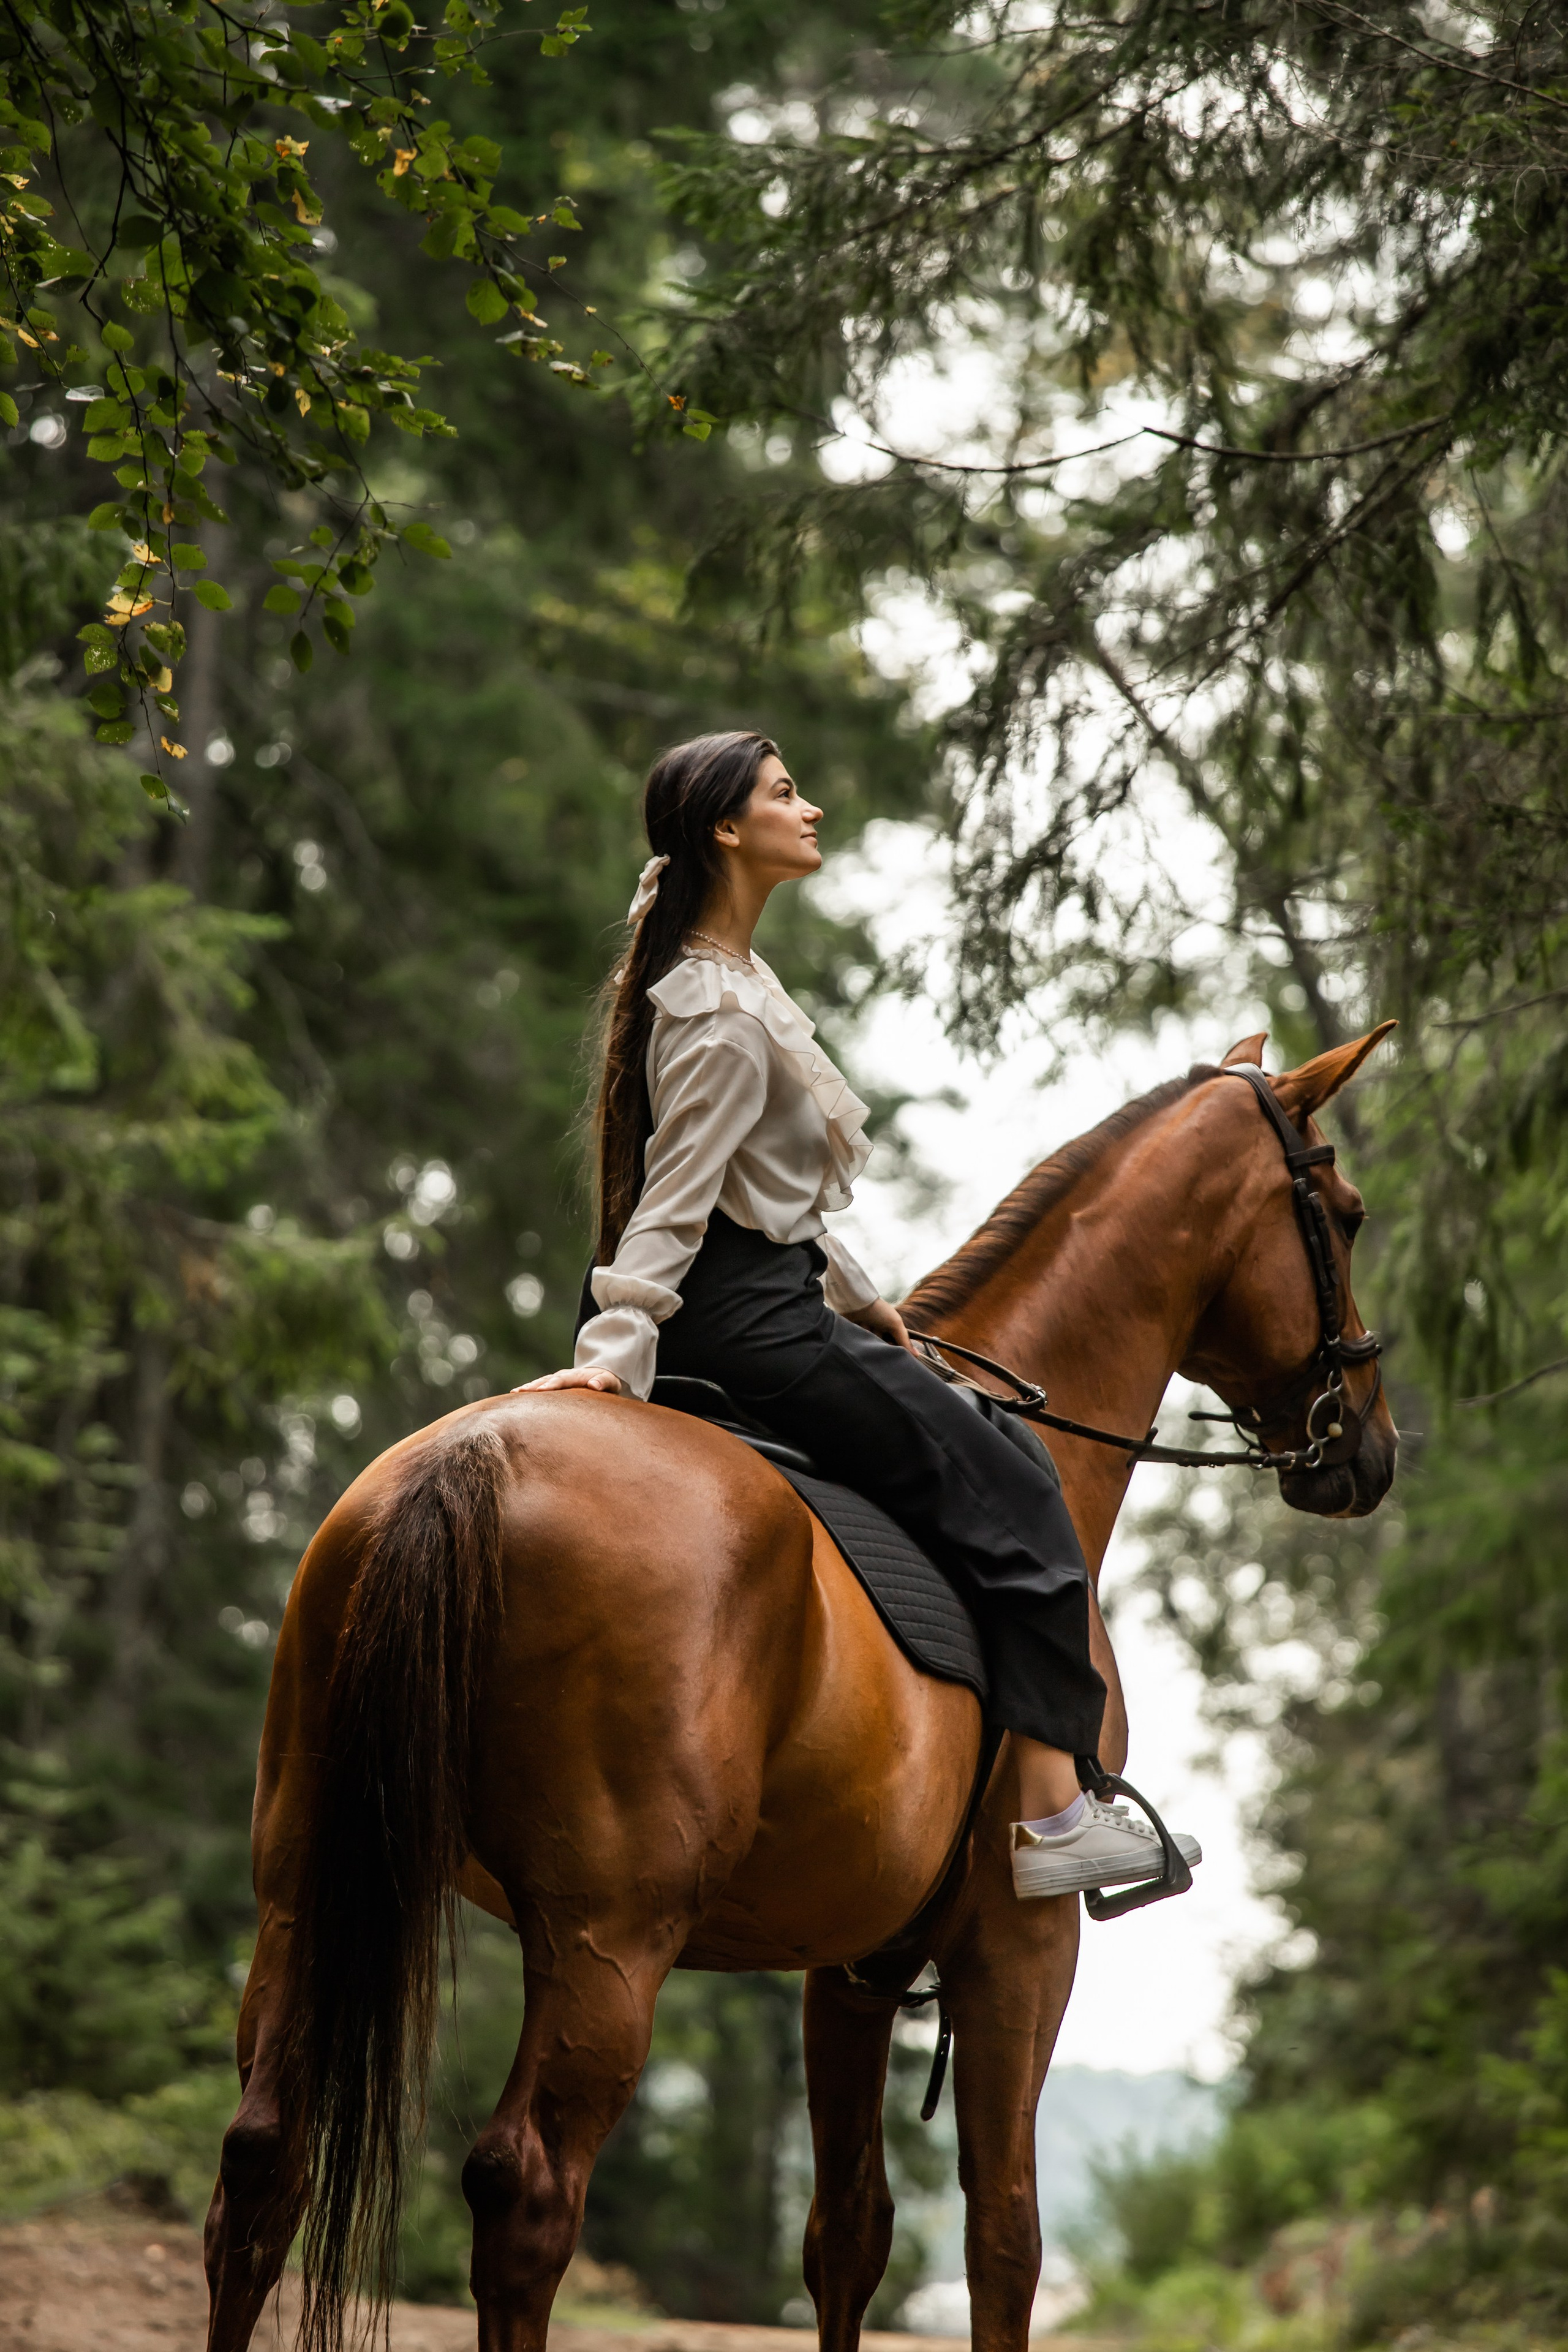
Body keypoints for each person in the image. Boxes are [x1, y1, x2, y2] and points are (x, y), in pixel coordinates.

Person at [520, 731, 1200, 1903]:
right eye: (786, 796)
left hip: (770, 1301)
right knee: (1018, 1483)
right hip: (748, 1332)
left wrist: (862, 1298)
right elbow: (675, 1200)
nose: (813, 808)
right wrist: (612, 1356)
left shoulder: (718, 979)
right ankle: (1055, 1817)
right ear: (727, 831)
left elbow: (754, 1199)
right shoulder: (725, 1014)